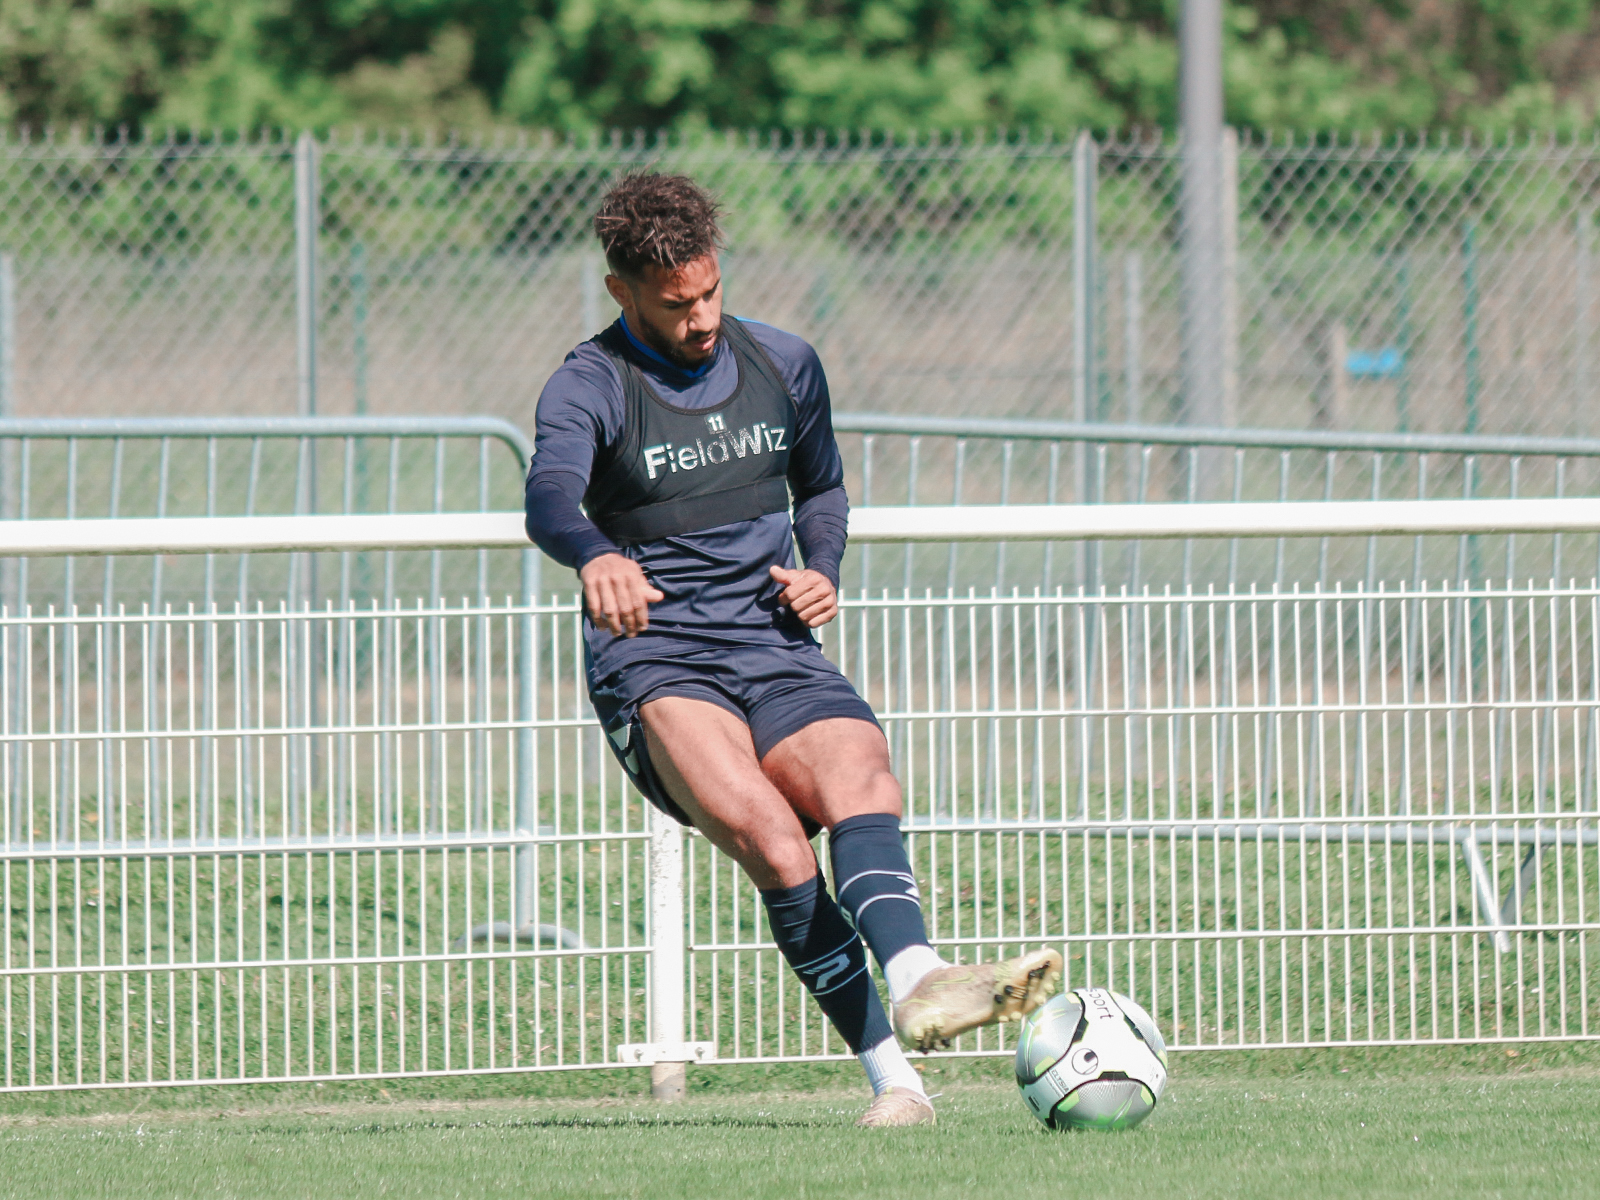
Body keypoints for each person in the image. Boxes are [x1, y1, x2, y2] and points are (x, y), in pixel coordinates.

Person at [524, 172, 1061, 1127]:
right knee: (775, 843)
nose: (700, 319)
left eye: (711, 293)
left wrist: (823, 565)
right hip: (660, 657)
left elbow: (822, 489)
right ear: (623, 292)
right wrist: (595, 553)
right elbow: (549, 499)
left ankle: (921, 974)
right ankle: (896, 1079)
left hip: (772, 637)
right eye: (675, 303)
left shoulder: (782, 363)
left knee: (860, 768)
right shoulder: (589, 384)